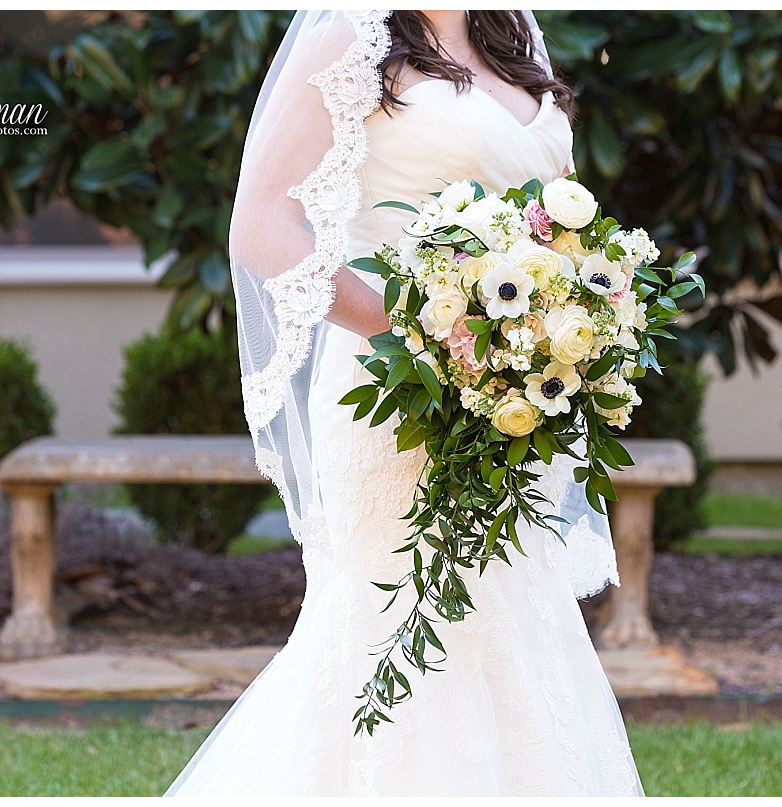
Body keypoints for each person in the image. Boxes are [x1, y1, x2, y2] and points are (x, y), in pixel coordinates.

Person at [163, 10, 644, 796]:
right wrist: (423, 326)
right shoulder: (351, 37)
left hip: (510, 393)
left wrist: (569, 312)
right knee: (394, 621)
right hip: (393, 397)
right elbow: (260, 228)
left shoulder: (509, 29)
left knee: (517, 621)